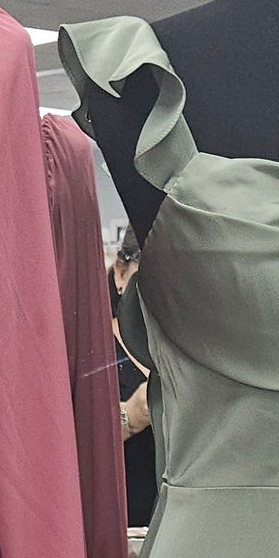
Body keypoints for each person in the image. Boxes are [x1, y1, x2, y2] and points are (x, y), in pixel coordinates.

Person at [112, 223, 158, 526]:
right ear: (120, 272)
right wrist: (131, 415)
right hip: (116, 528)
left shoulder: (200, 351)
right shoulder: (85, 350)